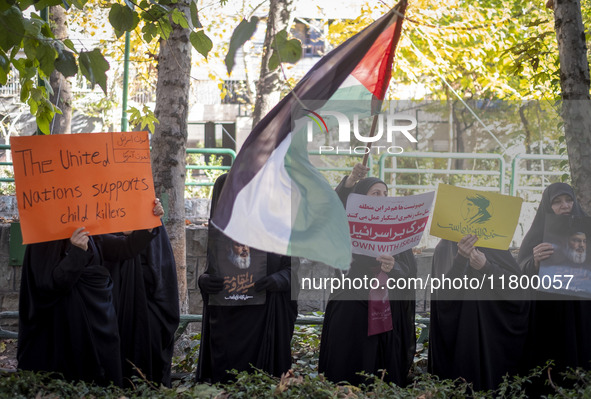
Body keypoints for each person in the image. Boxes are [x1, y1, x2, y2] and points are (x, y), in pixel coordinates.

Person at [17, 199, 164, 387]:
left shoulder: (87, 230)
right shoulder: (44, 237)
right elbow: (50, 285)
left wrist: (148, 224)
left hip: (98, 325)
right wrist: (77, 252)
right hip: (65, 334)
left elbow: (124, 249)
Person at [195, 173, 299, 383]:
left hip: (264, 319)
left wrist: (277, 280)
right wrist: (204, 281)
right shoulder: (221, 235)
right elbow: (212, 269)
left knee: (261, 381)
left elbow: (294, 271)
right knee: (227, 382)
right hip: (227, 322)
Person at [318, 167, 417, 386]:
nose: (382, 198)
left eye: (385, 193)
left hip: (386, 309)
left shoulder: (396, 225)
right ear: (360, 199)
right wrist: (351, 181)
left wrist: (393, 267)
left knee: (380, 370)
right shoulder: (346, 222)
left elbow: (408, 270)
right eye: (375, 193)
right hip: (351, 304)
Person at [428, 235, 530, 391]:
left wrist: (486, 267)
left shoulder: (496, 246)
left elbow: (517, 289)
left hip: (493, 335)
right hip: (461, 337)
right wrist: (460, 260)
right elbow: (443, 298)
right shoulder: (445, 248)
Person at [517, 182, 591, 394]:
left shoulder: (587, 229)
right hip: (550, 311)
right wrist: (535, 262)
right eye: (557, 202)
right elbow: (521, 269)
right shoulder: (537, 234)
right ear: (548, 207)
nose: (564, 206)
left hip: (581, 308)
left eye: (568, 200)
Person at [104, 221, 180, 387]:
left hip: (148, 307)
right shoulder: (102, 217)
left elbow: (162, 272)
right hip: (111, 308)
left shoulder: (150, 218)